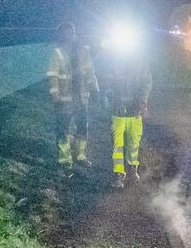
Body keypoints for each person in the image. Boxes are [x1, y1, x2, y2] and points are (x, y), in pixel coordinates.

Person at [46, 22, 99, 177]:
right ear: (61, 35)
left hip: (81, 99)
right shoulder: (57, 53)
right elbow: (52, 77)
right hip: (64, 100)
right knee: (63, 130)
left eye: (72, 32)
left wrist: (95, 90)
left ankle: (80, 156)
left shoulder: (83, 51)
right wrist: (56, 97)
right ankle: (65, 160)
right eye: (67, 33)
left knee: (83, 128)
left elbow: (90, 72)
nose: (70, 35)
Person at [99, 44, 152, 188]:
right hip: (118, 111)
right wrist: (110, 98)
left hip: (135, 111)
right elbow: (106, 82)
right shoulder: (113, 58)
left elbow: (146, 82)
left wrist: (142, 102)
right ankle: (118, 174)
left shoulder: (141, 58)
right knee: (117, 145)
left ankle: (132, 170)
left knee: (134, 143)